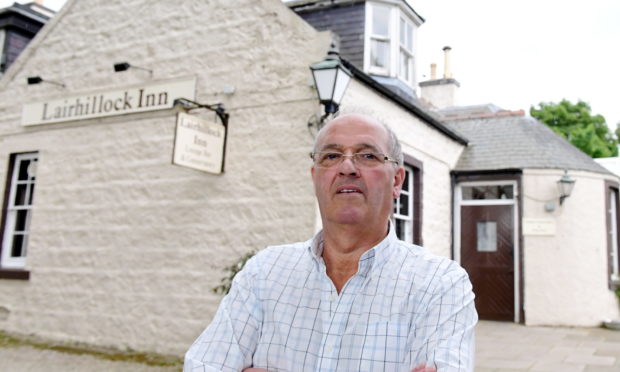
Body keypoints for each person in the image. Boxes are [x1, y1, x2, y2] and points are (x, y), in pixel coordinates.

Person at [184, 113, 478, 372]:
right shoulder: (263, 272)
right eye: (331, 156)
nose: (347, 167)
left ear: (397, 181)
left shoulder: (440, 284)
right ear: (315, 177)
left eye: (367, 155)